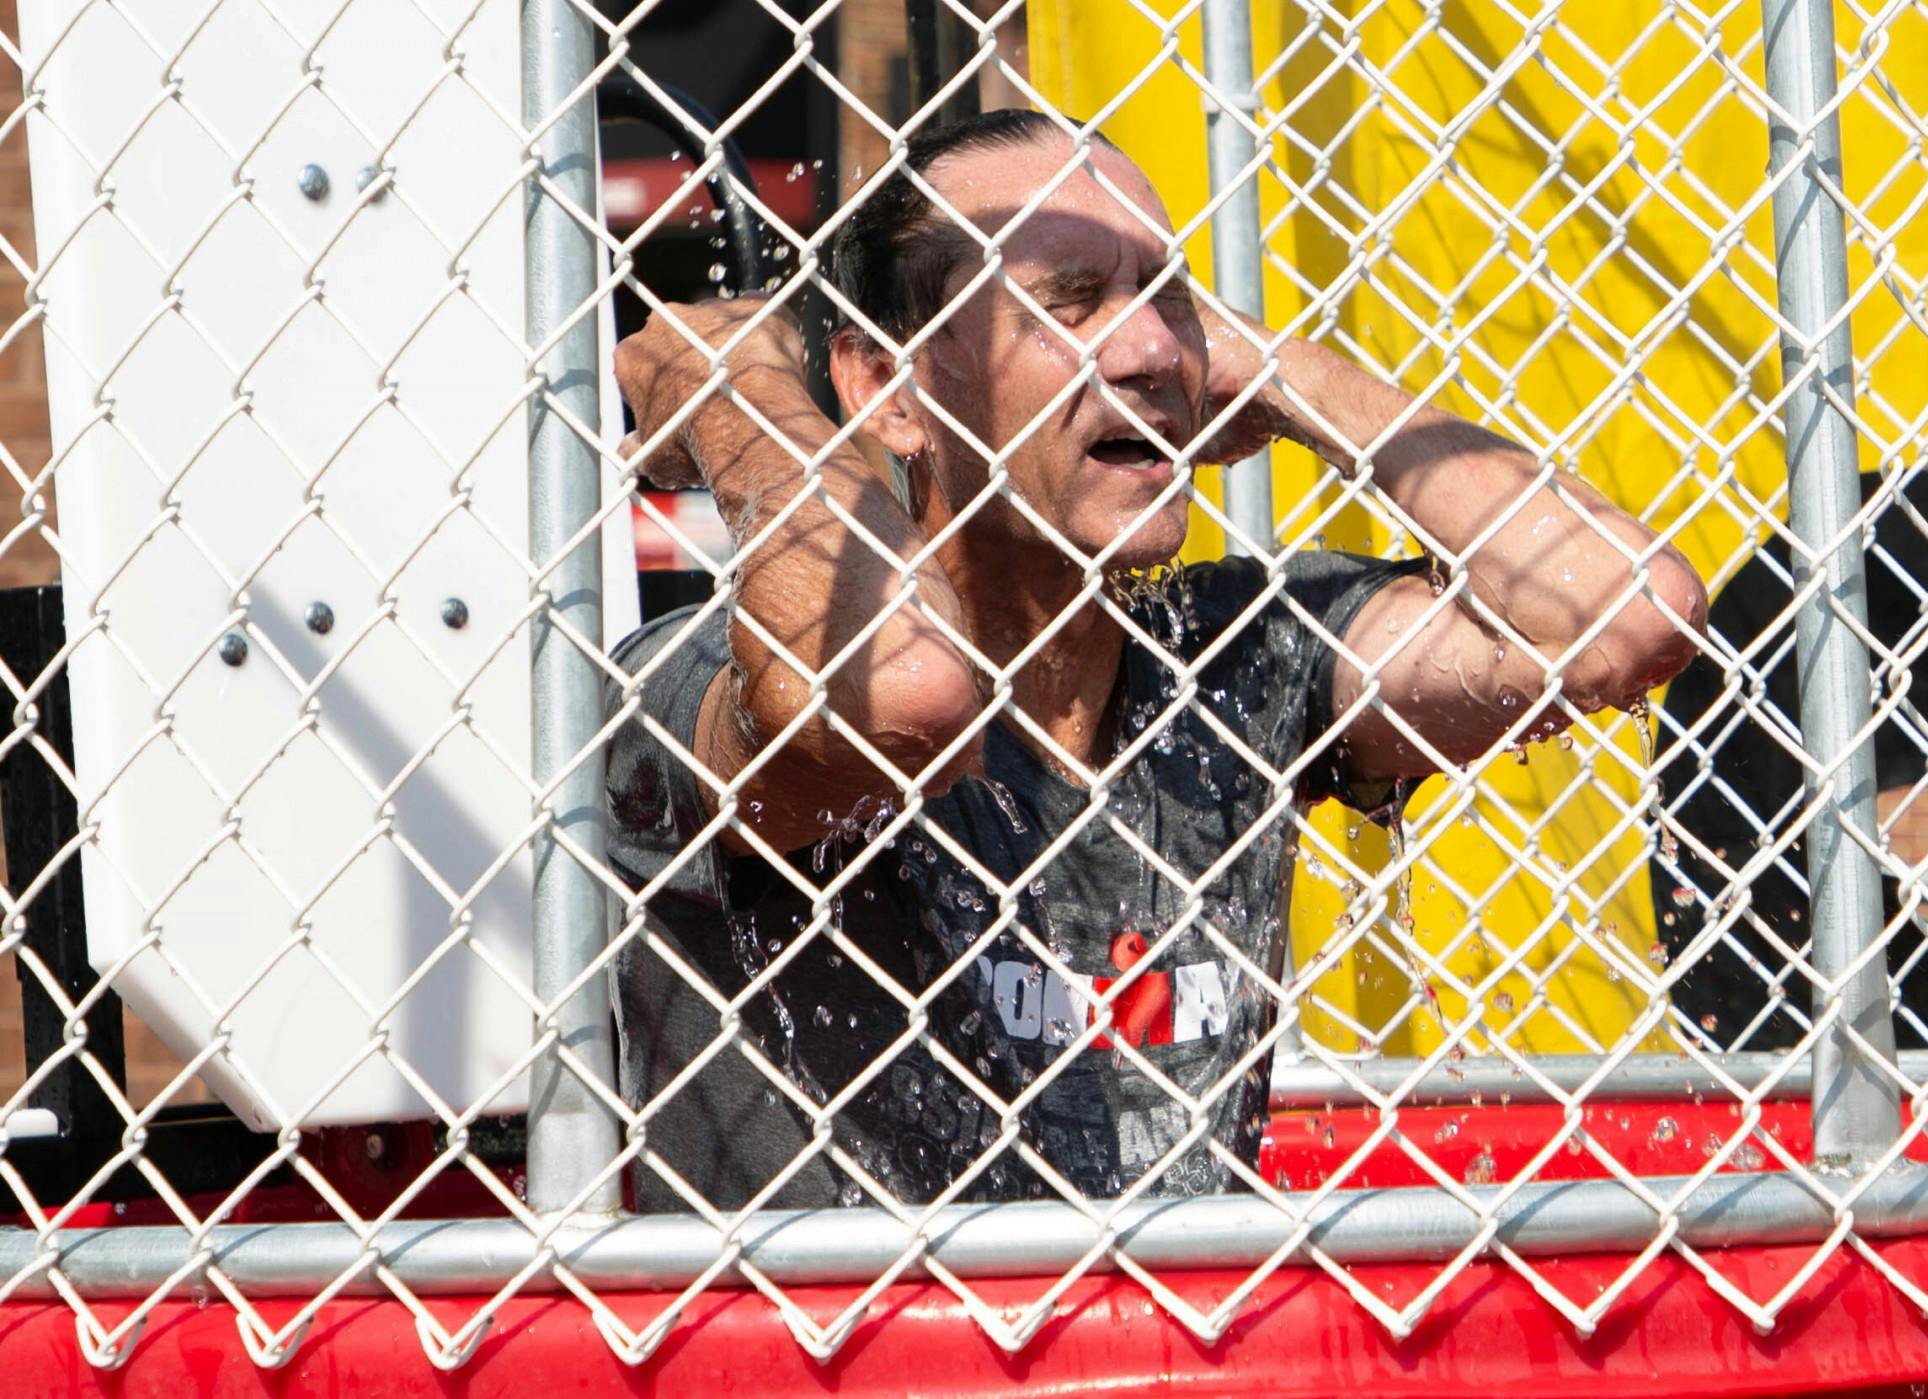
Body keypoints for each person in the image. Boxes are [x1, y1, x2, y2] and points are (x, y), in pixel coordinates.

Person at [605, 109, 1708, 1212]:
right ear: (893, 386)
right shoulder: (704, 674)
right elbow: (905, 695)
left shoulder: (1225, 652)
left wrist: (1272, 369)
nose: (1146, 351)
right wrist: (743, 397)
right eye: (1068, 301)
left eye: (1168, 296)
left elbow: (1629, 616)